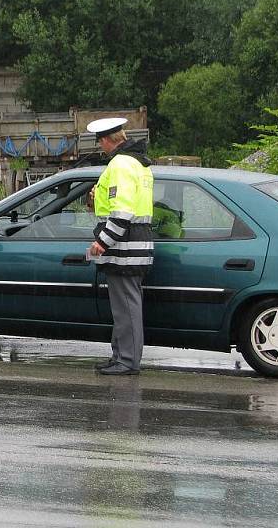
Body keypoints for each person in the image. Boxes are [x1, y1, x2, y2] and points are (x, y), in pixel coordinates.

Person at [87, 117, 154, 376]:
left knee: (126, 307)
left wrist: (101, 242)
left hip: (124, 247)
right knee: (123, 307)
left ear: (105, 140)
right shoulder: (138, 163)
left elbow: (122, 212)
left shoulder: (120, 164)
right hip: (133, 243)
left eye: (100, 143)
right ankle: (120, 356)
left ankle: (127, 361)